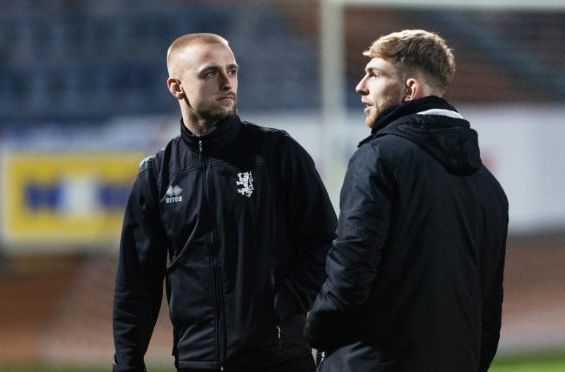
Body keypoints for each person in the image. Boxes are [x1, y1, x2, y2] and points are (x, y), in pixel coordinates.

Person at [113, 33, 337, 372]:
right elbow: (136, 283)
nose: (226, 82)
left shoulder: (277, 154)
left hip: (278, 358)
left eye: (231, 71)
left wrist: (283, 304)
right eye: (210, 73)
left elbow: (325, 244)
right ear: (176, 86)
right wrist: (127, 363)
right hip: (196, 360)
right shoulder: (158, 175)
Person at [304, 29, 509, 372]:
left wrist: (317, 333)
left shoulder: (378, 157)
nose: (361, 86)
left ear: (411, 90)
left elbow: (351, 269)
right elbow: (489, 303)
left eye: (375, 74)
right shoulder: (488, 186)